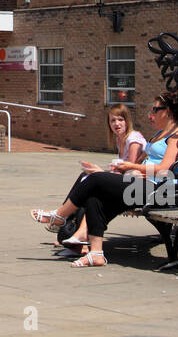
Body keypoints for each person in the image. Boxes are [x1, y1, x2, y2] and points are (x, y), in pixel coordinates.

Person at [31, 91, 178, 268]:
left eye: (156, 109)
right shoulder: (159, 134)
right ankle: (96, 253)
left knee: (95, 179)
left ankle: (59, 216)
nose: (152, 112)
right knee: (95, 195)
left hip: (159, 189)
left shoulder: (175, 136)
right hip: (142, 183)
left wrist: (131, 167)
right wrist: (122, 170)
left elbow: (165, 169)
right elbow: (145, 163)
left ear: (168, 111)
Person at [53, 105, 146, 253]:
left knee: (91, 186)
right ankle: (67, 228)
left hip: (133, 183)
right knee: (85, 179)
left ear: (127, 120)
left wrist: (102, 172)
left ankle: (64, 222)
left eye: (120, 119)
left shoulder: (133, 139)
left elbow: (131, 167)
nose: (116, 124)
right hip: (125, 180)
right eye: (112, 120)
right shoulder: (119, 140)